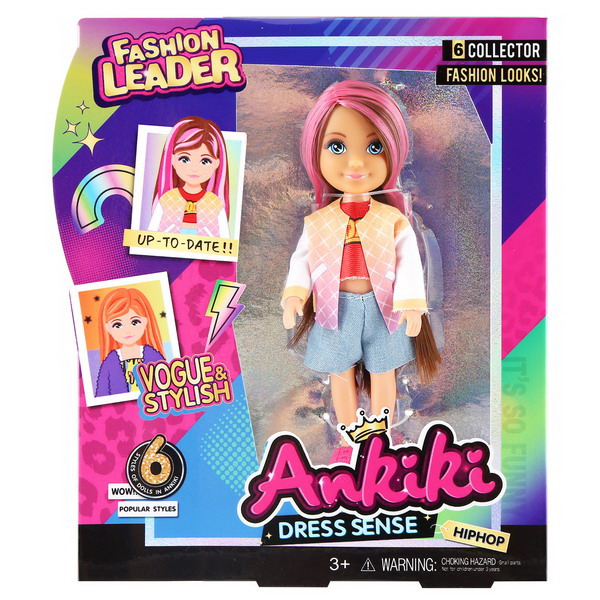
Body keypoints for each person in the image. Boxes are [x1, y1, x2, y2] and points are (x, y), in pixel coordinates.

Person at [282, 81, 441, 456]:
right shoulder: (319, 222)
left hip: (384, 308)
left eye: (374, 147)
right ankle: (348, 435)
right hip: (334, 309)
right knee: (340, 373)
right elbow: (301, 260)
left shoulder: (393, 220)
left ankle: (380, 434)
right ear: (315, 152)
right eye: (337, 147)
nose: (356, 163)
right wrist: (294, 295)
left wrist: (412, 305)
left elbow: (410, 264)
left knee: (384, 371)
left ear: (393, 152)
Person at [148, 116, 230, 238]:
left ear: (216, 163)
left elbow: (225, 240)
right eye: (185, 159)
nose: (194, 168)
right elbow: (151, 234)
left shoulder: (215, 203)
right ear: (173, 160)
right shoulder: (167, 199)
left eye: (205, 161)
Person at [95, 287, 165, 396]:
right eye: (117, 325)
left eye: (135, 322)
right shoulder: (110, 361)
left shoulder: (152, 355)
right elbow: (102, 394)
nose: (127, 330)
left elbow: (166, 384)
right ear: (108, 328)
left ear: (145, 322)